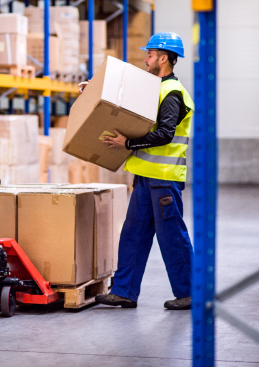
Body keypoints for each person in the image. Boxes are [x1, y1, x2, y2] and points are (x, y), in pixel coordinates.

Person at [83, 32, 195, 310]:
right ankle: (124, 291)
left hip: (164, 181)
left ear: (164, 58)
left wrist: (127, 143)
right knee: (133, 233)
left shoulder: (172, 94)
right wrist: (93, 92)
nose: (145, 59)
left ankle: (191, 293)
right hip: (146, 179)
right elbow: (122, 106)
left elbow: (166, 134)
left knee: (172, 237)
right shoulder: (154, 88)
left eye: (150, 55)